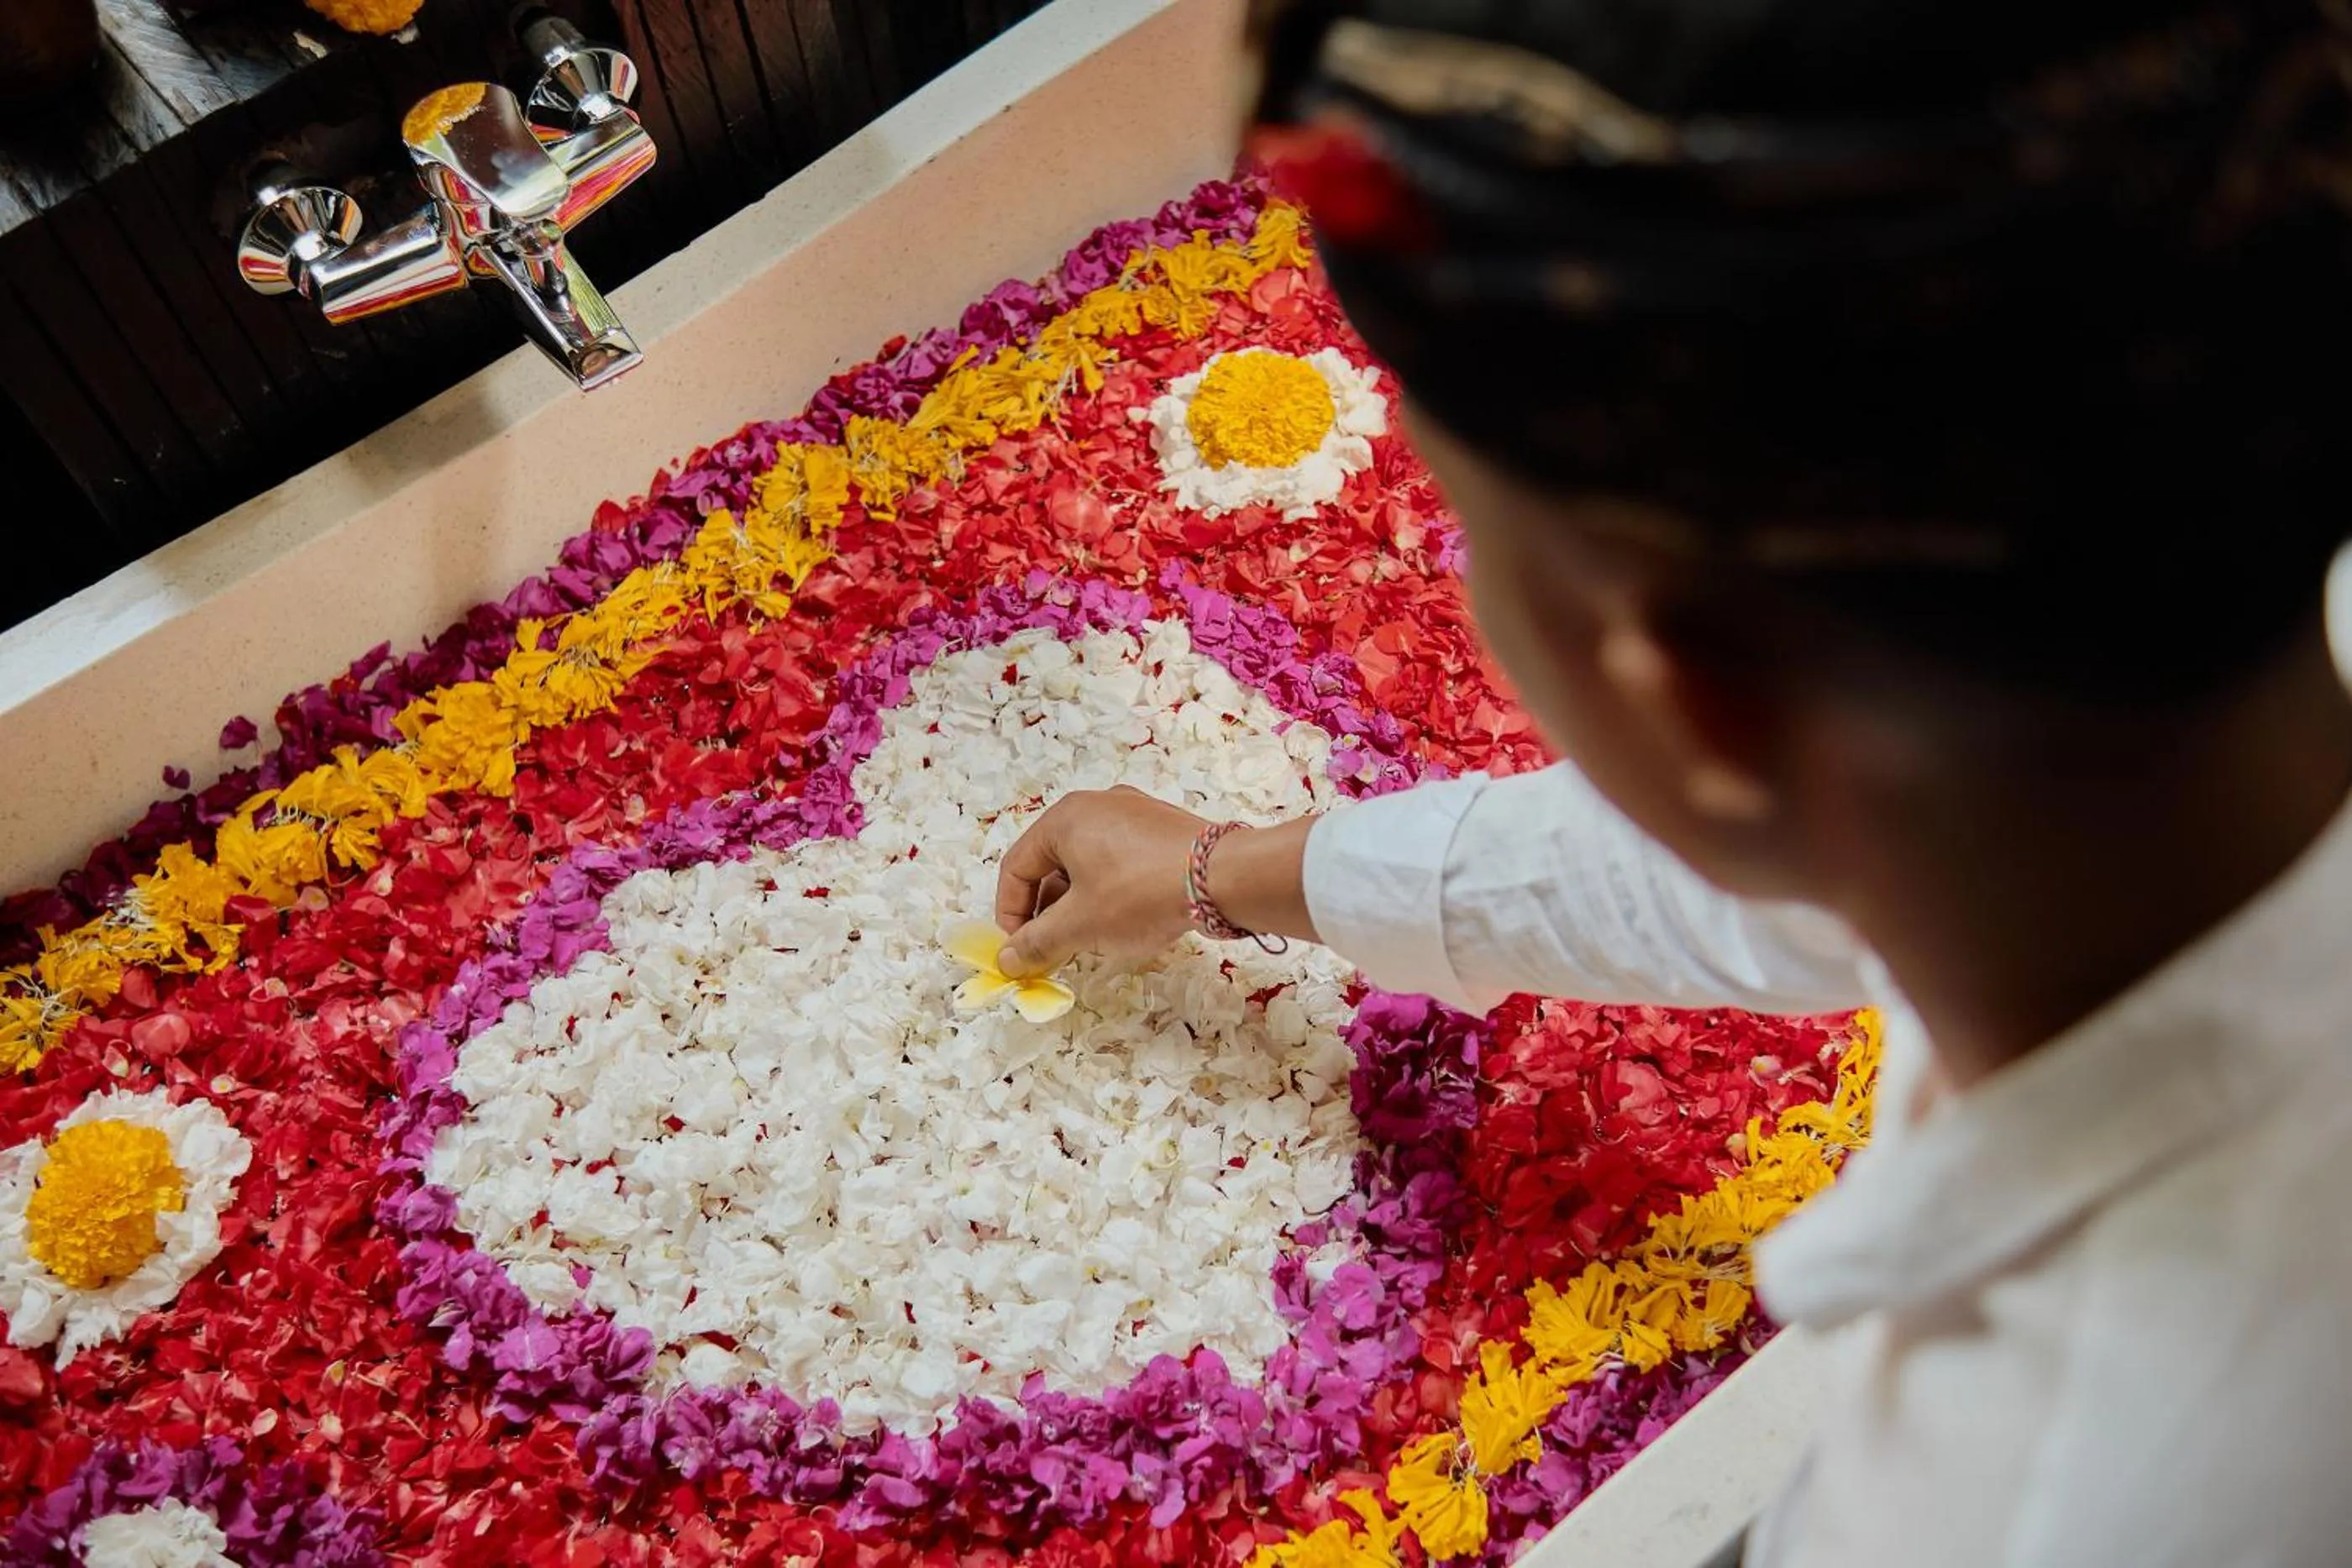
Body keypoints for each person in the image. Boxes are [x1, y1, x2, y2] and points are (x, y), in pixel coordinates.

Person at [987, 2, 2352, 1563]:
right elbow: (1812, 829)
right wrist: (1231, 865)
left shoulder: (2063, 1502)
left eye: (1485, 537)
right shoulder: (2121, 753)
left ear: (1686, 698)